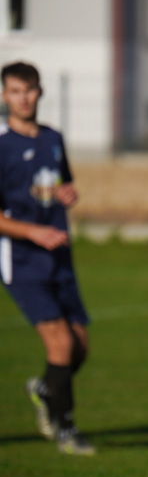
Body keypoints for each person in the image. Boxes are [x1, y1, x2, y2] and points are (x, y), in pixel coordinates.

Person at [0, 61, 95, 456]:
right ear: (5, 96)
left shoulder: (53, 137)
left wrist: (67, 194)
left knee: (80, 346)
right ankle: (65, 428)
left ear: (40, 92)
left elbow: (60, 184)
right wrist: (32, 231)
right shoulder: (1, 145)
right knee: (59, 343)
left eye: (30, 90)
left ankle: (44, 389)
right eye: (15, 91)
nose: (24, 98)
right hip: (21, 259)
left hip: (59, 255)